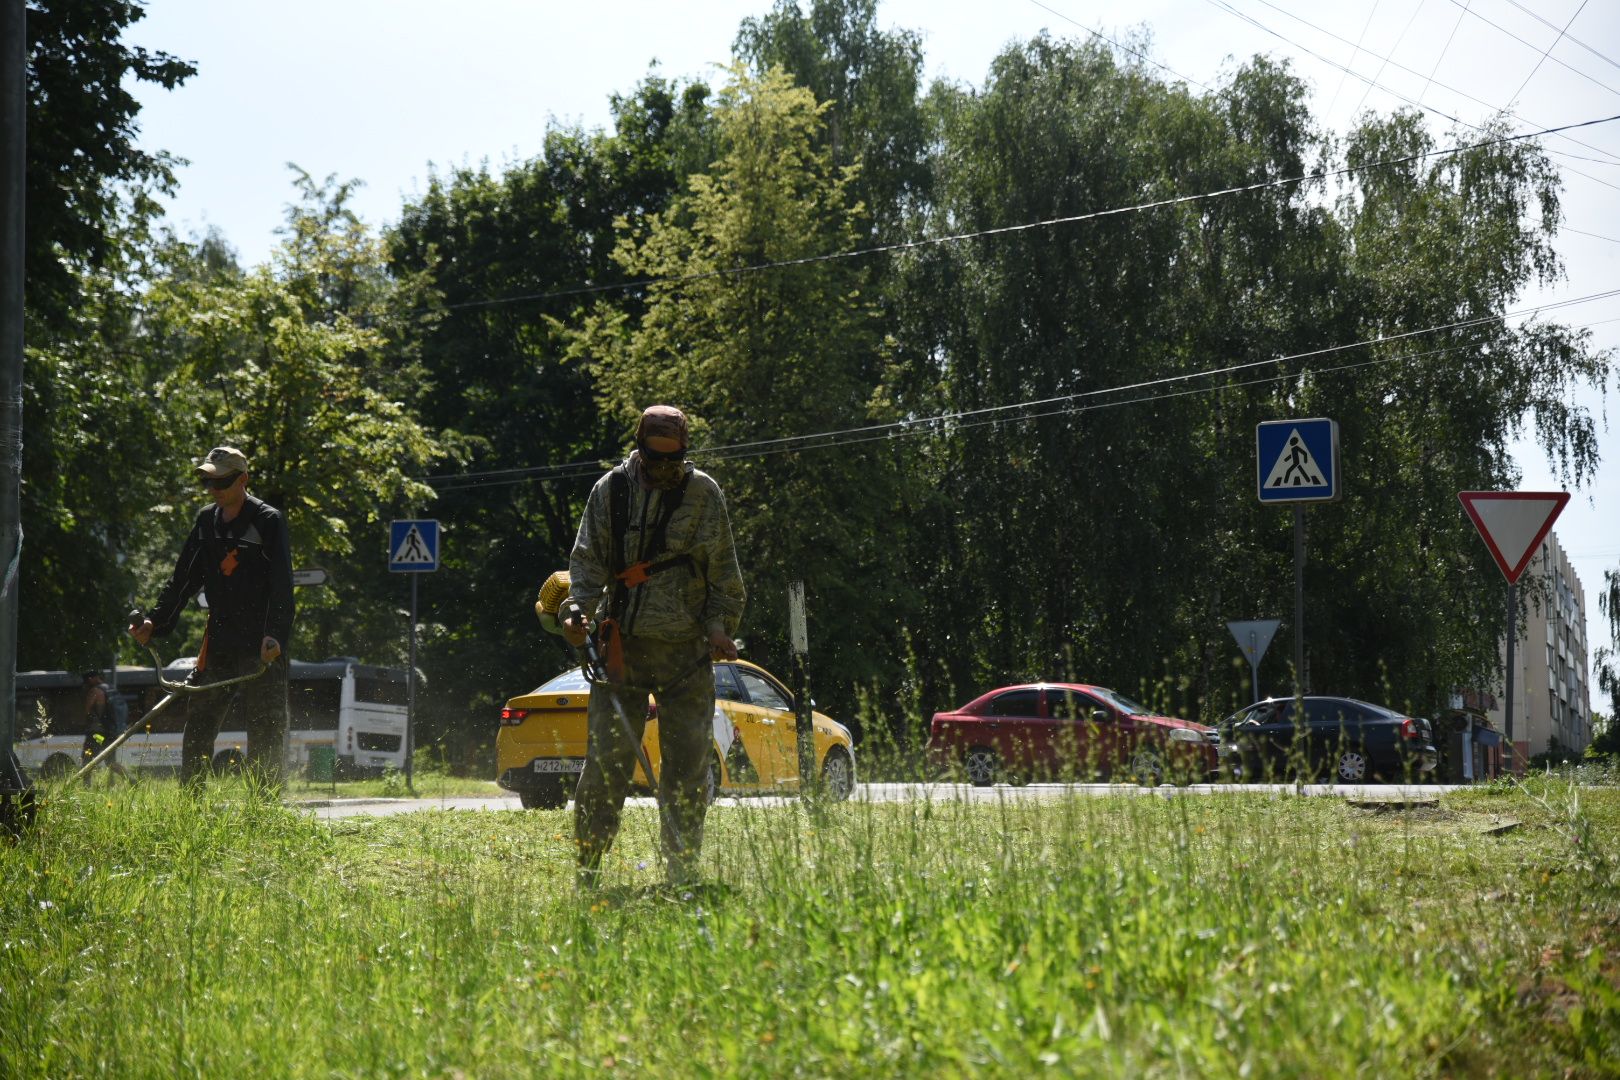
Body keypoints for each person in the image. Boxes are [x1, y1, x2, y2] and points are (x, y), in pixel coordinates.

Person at [563, 405, 746, 887]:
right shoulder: (611, 491)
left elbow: (723, 575)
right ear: (640, 447)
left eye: (675, 457)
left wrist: (719, 628)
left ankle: (681, 873)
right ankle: (588, 871)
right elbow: (586, 565)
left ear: (685, 451)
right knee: (605, 771)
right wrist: (576, 611)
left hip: (687, 655)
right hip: (621, 651)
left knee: (686, 772)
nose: (665, 467)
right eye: (654, 456)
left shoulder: (704, 495)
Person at [129, 446, 294, 788]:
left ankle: (265, 811)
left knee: (266, 730)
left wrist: (275, 634)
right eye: (208, 481)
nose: (214, 489)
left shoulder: (268, 520)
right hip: (219, 639)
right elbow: (183, 580)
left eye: (222, 481)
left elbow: (282, 586)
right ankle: (191, 803)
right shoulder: (206, 521)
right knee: (199, 724)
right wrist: (155, 624)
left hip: (262, 643)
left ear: (243, 479)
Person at [78, 671, 127, 785]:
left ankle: (86, 786)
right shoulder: (111, 690)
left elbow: (87, 711)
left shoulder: (95, 691)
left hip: (96, 733)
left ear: (92, 679)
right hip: (111, 732)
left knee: (87, 759)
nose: (88, 682)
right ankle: (131, 779)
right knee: (111, 762)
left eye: (88, 679)